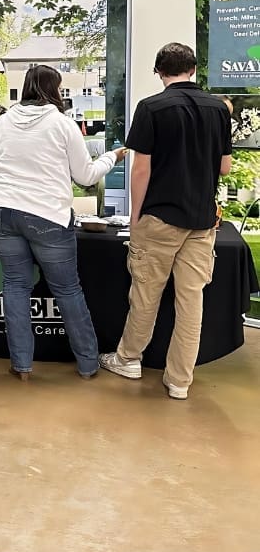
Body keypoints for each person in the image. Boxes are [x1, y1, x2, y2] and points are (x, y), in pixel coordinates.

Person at [0, 64, 127, 380]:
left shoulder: (1, 123)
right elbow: (85, 176)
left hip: (2, 211)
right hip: (47, 216)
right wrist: (113, 157)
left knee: (15, 286)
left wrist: (6, 181)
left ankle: (22, 366)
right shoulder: (62, 124)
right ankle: (87, 365)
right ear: (54, 90)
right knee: (68, 289)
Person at [99, 43, 232, 400]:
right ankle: (179, 381)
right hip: (202, 220)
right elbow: (224, 166)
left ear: (159, 71)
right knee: (192, 302)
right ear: (193, 69)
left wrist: (136, 216)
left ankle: (128, 359)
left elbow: (141, 168)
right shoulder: (218, 109)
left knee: (146, 294)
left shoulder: (151, 107)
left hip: (159, 216)